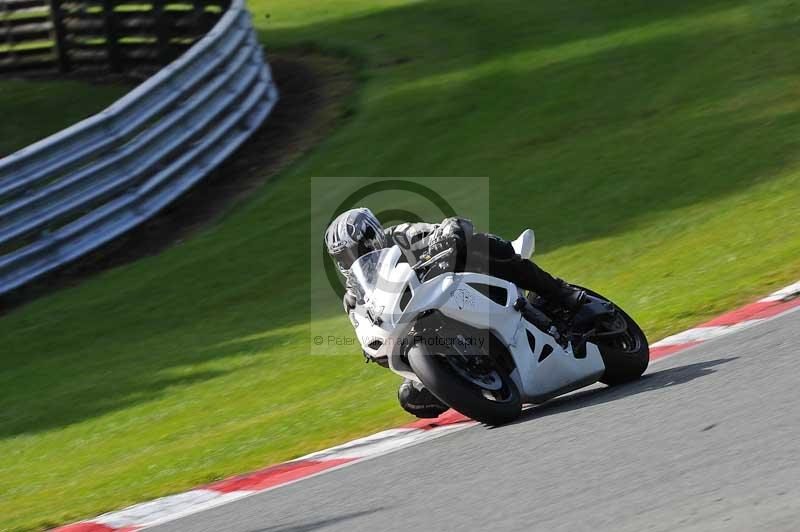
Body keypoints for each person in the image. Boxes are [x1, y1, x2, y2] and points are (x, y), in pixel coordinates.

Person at [324, 207, 586, 418]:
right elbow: (369, 338)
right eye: (343, 256)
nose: (352, 258)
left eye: (358, 247)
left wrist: (448, 235)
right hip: (419, 329)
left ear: (374, 235)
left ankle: (562, 292)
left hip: (454, 288)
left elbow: (446, 228)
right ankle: (467, 379)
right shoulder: (355, 295)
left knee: (478, 245)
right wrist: (375, 347)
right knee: (412, 399)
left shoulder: (401, 236)